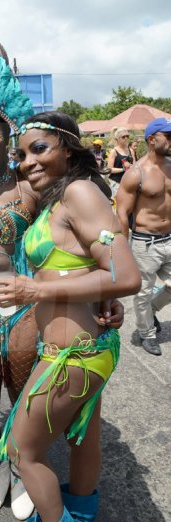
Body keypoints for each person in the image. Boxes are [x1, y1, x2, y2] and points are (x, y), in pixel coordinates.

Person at [0, 27, 124, 521]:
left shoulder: (34, 185)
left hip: (30, 310)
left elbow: (73, 241)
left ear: (7, 132)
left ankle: (24, 463)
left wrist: (101, 294)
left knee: (34, 410)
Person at [0, 111, 141, 522]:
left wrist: (37, 291)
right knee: (83, 434)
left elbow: (125, 273)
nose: (27, 160)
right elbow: (96, 262)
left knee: (21, 449)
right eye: (22, 153)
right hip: (82, 348)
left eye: (39, 149)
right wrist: (103, 297)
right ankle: (82, 518)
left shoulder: (78, 191)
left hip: (75, 355)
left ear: (69, 149)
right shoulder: (60, 199)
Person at [117, 117, 171, 356]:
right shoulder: (136, 173)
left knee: (153, 296)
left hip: (170, 238)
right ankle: (147, 333)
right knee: (142, 292)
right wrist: (123, 250)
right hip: (144, 243)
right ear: (152, 139)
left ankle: (151, 310)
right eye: (168, 137)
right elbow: (122, 212)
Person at [107, 127, 134, 199]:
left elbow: (135, 165)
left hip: (129, 182)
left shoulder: (131, 150)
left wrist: (132, 166)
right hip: (116, 182)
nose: (126, 138)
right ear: (117, 139)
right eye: (123, 137)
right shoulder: (114, 151)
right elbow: (109, 169)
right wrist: (123, 169)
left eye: (127, 136)